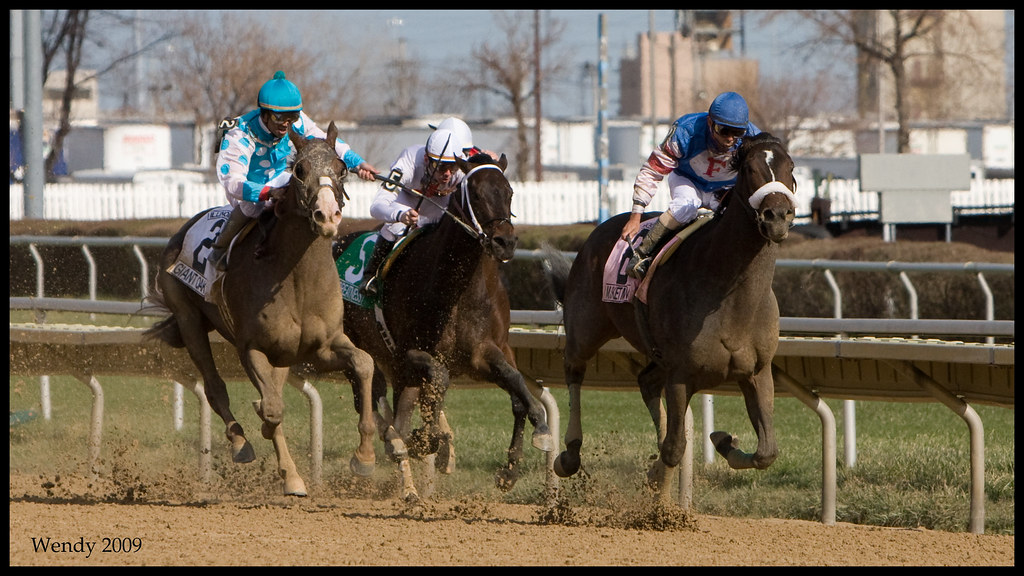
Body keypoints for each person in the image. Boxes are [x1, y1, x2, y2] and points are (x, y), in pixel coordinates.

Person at [209, 71, 378, 271]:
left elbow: (325, 142)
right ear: (264, 113)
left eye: (292, 116)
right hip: (250, 186)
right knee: (252, 208)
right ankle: (219, 250)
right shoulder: (240, 135)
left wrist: (358, 164)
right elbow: (232, 182)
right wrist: (267, 193)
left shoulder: (296, 121)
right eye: (279, 117)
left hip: (281, 176)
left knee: (309, 189)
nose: (287, 123)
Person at [622, 91, 761, 280]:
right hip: (687, 181)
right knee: (685, 207)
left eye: (737, 132)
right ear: (710, 123)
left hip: (723, 191)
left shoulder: (753, 139)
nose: (730, 138)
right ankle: (642, 255)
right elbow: (653, 170)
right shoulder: (686, 131)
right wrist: (635, 216)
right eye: (724, 131)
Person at [359, 127, 468, 296]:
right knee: (394, 227)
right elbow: (376, 207)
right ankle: (370, 276)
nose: (447, 174)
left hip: (438, 203)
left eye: (453, 167)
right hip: (407, 199)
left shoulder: (461, 170)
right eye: (440, 167)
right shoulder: (409, 161)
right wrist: (400, 215)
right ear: (426, 159)